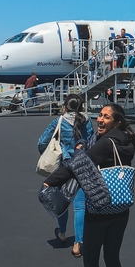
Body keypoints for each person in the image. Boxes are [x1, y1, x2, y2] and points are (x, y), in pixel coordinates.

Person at [44, 103, 135, 267]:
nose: (100, 120)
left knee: (89, 259)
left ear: (116, 122)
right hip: (121, 207)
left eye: (106, 117)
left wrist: (51, 181)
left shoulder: (106, 143)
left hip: (99, 209)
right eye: (100, 115)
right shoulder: (126, 142)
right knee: (112, 258)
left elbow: (78, 165)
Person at [38, 94, 94, 247]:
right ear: (81, 107)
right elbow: (91, 141)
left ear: (65, 107)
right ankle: (78, 243)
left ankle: (62, 232)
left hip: (64, 166)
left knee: (62, 201)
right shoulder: (87, 121)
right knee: (80, 206)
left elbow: (42, 141)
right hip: (82, 165)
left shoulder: (59, 121)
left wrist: (46, 152)